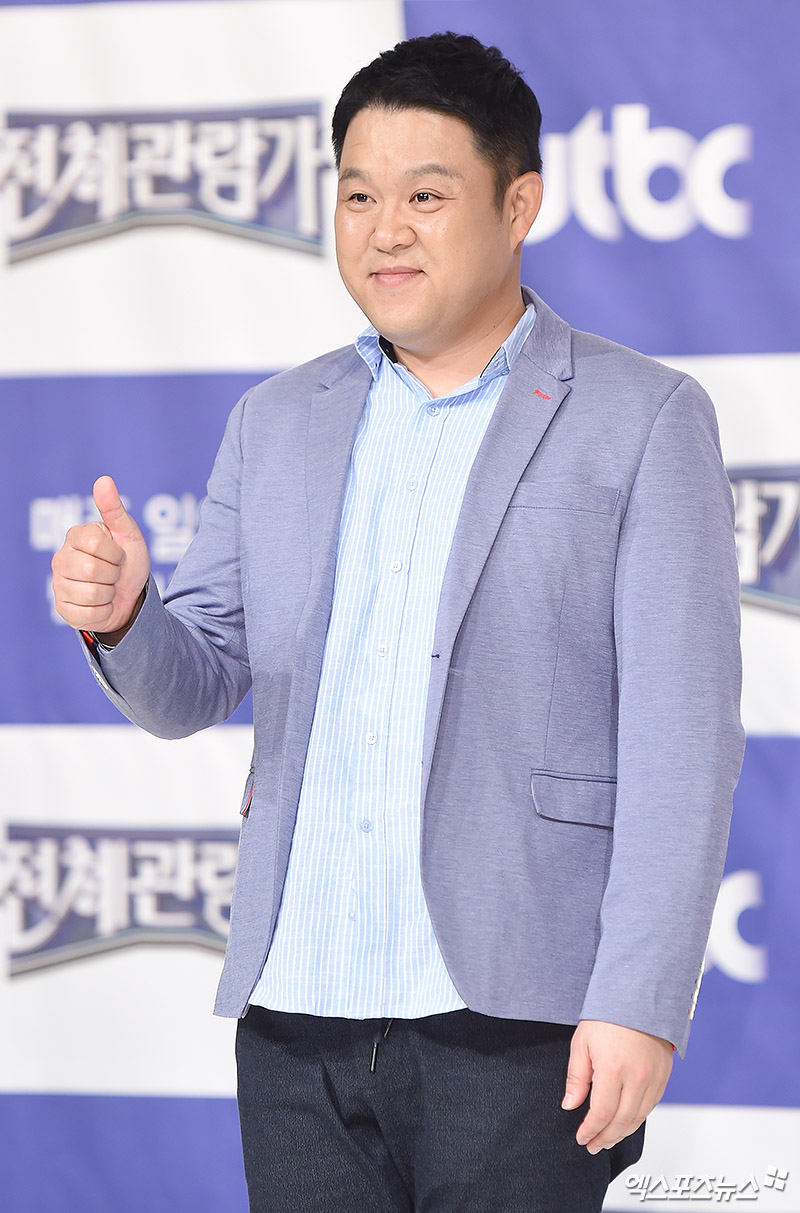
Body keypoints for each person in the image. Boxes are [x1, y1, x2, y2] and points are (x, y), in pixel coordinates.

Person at [51, 31, 744, 1213]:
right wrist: (125, 620)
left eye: (425, 196)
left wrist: (637, 1000)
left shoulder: (640, 419)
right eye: (357, 196)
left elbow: (681, 743)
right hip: (296, 1019)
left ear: (517, 205)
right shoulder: (275, 420)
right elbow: (193, 681)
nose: (383, 231)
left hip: (514, 1021)